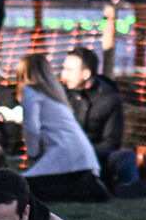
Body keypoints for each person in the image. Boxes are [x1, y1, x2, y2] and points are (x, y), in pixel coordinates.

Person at [18, 52, 107, 204]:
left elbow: (31, 127)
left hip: (63, 155)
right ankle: (89, 187)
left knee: (23, 188)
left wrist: (33, 153)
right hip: (83, 158)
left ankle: (87, 190)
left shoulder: (30, 91)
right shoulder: (55, 94)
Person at [59, 47, 141, 195]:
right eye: (64, 69)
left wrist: (86, 152)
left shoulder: (109, 99)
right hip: (64, 154)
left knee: (125, 157)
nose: (63, 75)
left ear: (86, 74)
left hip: (96, 156)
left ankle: (127, 187)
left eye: (69, 70)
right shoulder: (62, 94)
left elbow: (111, 141)